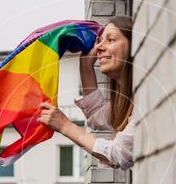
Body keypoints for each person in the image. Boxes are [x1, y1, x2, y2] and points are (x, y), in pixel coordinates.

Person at [37, 16, 134, 170]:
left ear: (135, 46)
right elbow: (97, 114)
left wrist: (65, 125)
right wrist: (85, 65)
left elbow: (117, 153)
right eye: (100, 40)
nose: (99, 47)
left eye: (111, 40)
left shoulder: (146, 99)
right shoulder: (127, 101)